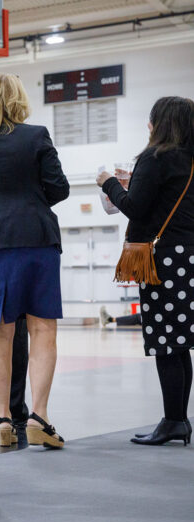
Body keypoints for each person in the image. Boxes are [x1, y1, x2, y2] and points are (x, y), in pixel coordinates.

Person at [0, 74, 70, 448]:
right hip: (36, 241)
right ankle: (39, 418)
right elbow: (59, 188)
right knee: (42, 329)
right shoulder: (36, 136)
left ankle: (5, 420)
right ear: (19, 101)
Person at [96, 96, 194, 446]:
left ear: (160, 123)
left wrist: (108, 182)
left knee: (165, 342)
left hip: (162, 259)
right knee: (180, 342)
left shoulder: (155, 158)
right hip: (187, 257)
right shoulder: (187, 160)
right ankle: (178, 419)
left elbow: (136, 208)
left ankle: (172, 421)